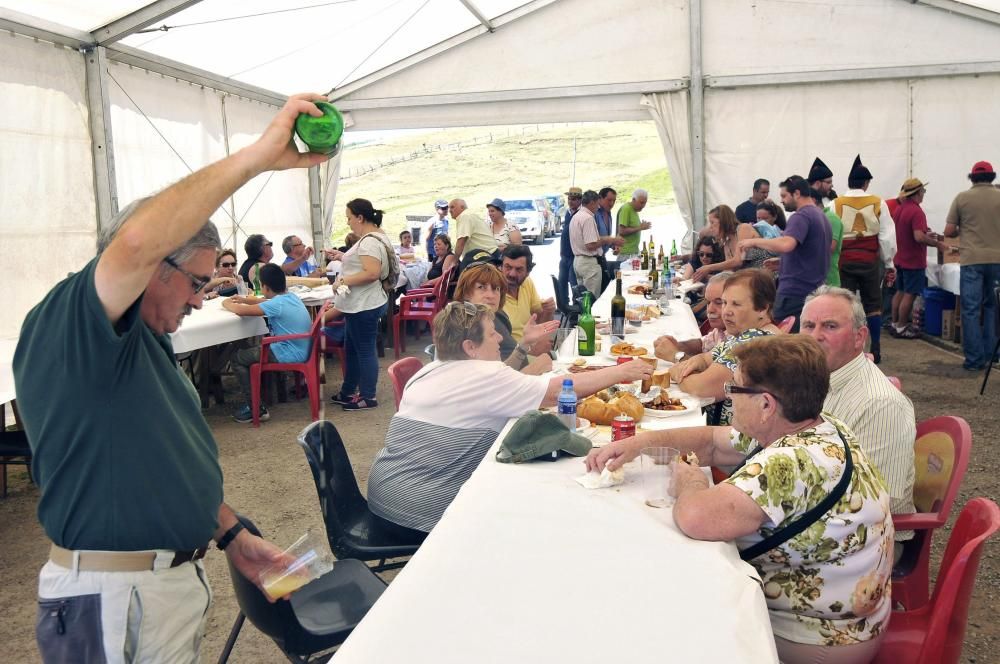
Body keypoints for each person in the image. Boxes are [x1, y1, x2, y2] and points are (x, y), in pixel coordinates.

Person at [12, 93, 330, 662]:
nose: (200, 297)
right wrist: (257, 157)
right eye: (196, 281)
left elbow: (156, 460)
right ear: (153, 265)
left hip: (150, 588)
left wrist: (232, 534)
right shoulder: (76, 322)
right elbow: (135, 239)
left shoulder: (143, 344)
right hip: (113, 597)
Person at [587, 334, 894, 663]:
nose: (728, 396)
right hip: (850, 615)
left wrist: (691, 482)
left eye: (734, 388)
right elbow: (712, 443)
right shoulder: (816, 426)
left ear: (766, 405)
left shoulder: (790, 462)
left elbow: (695, 517)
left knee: (663, 624)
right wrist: (639, 444)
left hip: (822, 636)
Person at [366, 301, 654, 533]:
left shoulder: (429, 371)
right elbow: (558, 391)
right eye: (492, 333)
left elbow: (503, 383)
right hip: (418, 509)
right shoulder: (484, 376)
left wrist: (523, 349)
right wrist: (622, 372)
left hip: (382, 494)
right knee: (540, 509)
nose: (500, 337)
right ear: (470, 348)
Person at [800, 286, 916, 551]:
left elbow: (880, 502)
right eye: (808, 325)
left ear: (859, 337)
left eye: (830, 326)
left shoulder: (880, 404)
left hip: (867, 544)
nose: (815, 336)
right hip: (821, 518)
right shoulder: (812, 379)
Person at [669, 269, 780, 425]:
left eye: (736, 304)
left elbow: (701, 387)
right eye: (725, 302)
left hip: (736, 441)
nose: (726, 312)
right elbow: (705, 358)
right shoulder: (745, 334)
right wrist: (698, 362)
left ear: (762, 308)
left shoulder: (754, 343)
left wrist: (678, 371)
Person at [739, 175, 832, 332]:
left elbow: (786, 244)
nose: (781, 201)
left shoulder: (801, 216)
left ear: (796, 193)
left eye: (784, 196)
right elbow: (813, 254)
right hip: (814, 290)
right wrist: (784, 263)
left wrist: (754, 242)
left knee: (784, 345)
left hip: (794, 293)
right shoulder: (821, 216)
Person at [329, 198, 397, 411]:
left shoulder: (368, 241)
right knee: (352, 349)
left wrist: (342, 280)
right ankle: (348, 390)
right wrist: (344, 257)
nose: (348, 222)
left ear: (360, 217)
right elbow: (367, 265)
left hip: (363, 305)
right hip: (361, 303)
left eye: (349, 217)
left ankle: (368, 396)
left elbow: (372, 272)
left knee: (364, 350)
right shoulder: (378, 236)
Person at [223, 263, 312, 423]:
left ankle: (255, 408)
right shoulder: (290, 297)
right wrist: (245, 299)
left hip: (288, 352)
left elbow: (240, 311)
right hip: (302, 348)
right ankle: (257, 402)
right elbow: (264, 302)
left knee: (236, 358)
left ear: (265, 286)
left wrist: (227, 303)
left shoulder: (276, 304)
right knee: (245, 349)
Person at [834, 154, 897, 364]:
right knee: (873, 305)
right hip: (869, 261)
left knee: (846, 305)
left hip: (844, 261)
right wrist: (889, 263)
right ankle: (876, 348)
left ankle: (847, 350)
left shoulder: (836, 203)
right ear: (866, 183)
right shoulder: (878, 202)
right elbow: (887, 237)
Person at [944, 160, 1000, 371]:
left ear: (972, 178)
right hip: (997, 260)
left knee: (971, 309)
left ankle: (975, 360)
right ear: (992, 177)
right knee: (994, 307)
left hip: (972, 260)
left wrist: (962, 230)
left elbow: (949, 231)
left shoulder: (962, 198)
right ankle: (993, 354)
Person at [454, 263, 557, 374]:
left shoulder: (494, 316)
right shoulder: (463, 325)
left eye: (496, 289)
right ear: (466, 293)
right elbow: (492, 384)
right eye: (481, 287)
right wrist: (533, 370)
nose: (491, 295)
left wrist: (525, 343)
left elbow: (502, 371)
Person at [891, 179, 947, 338]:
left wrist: (923, 233)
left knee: (900, 292)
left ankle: (895, 324)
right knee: (910, 293)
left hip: (900, 257)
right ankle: (902, 327)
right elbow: (918, 237)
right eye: (923, 192)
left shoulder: (900, 209)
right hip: (913, 260)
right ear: (916, 193)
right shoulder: (917, 211)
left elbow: (907, 232)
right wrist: (937, 244)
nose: (923, 195)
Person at [654, 271, 732, 360]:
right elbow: (703, 344)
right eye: (708, 302)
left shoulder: (740, 339)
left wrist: (676, 355)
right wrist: (677, 345)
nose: (710, 309)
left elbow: (710, 372)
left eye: (718, 302)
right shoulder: (722, 329)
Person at [571, 190, 624, 297]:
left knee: (583, 300)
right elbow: (590, 245)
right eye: (597, 204)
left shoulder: (577, 215)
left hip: (578, 261)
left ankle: (583, 314)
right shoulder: (588, 218)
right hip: (588, 263)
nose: (598, 207)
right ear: (592, 203)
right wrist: (608, 240)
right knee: (592, 300)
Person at [500, 244, 556, 345]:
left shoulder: (527, 283)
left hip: (529, 347)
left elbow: (540, 324)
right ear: (500, 267)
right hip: (511, 354)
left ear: (528, 272)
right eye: (508, 267)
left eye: (519, 269)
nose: (512, 274)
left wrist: (548, 311)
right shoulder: (493, 292)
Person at [692, 205, 764, 280]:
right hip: (751, 278)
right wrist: (704, 276)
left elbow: (738, 260)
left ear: (723, 221)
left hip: (764, 276)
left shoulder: (743, 228)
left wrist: (709, 267)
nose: (710, 227)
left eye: (712, 222)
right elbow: (729, 272)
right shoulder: (727, 243)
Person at [807, 157, 844, 286]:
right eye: (828, 182)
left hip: (827, 275)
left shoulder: (830, 211)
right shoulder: (799, 209)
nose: (832, 185)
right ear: (817, 183)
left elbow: (830, 248)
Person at [558, 186, 583, 301]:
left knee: (574, 283)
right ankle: (563, 305)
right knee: (562, 281)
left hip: (574, 255)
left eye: (573, 199)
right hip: (564, 254)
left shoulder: (581, 214)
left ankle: (575, 310)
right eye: (569, 199)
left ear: (579, 200)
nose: (570, 201)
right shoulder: (568, 213)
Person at [615, 188, 652, 262]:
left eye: (645, 203)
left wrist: (640, 227)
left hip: (633, 252)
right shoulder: (626, 209)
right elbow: (621, 231)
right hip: (626, 253)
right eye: (641, 203)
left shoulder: (634, 210)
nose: (643, 205)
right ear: (634, 200)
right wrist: (639, 227)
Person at [595, 186, 618, 283]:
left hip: (602, 257)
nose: (611, 203)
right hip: (593, 259)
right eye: (609, 200)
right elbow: (592, 239)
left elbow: (606, 237)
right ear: (600, 198)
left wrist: (613, 246)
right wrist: (611, 240)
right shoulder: (594, 213)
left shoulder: (609, 214)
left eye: (614, 200)